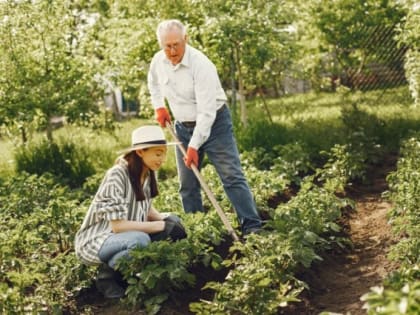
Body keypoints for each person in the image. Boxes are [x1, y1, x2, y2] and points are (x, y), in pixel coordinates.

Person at [147, 19, 262, 236]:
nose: (171, 51)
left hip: (215, 124)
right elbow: (153, 83)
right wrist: (159, 106)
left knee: (231, 176)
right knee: (187, 184)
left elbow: (207, 113)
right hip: (182, 127)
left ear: (186, 40)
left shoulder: (201, 65)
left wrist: (194, 146)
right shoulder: (158, 61)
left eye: (176, 45)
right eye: (167, 46)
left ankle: (252, 227)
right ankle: (198, 231)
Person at [75, 125, 187, 299]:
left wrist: (168, 220)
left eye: (164, 153)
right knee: (140, 239)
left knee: (173, 221)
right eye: (158, 153)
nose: (163, 158)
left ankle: (131, 274)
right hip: (99, 239)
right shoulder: (117, 174)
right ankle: (107, 277)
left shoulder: (147, 173)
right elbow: (118, 226)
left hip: (124, 236)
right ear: (141, 152)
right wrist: (160, 224)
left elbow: (145, 208)